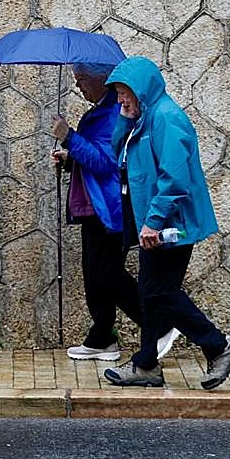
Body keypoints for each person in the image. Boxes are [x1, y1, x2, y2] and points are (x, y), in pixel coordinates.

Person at [101, 57, 230, 390]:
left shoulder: (167, 119)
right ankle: (147, 364)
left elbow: (175, 178)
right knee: (151, 294)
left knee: (160, 292)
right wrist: (124, 119)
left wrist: (152, 221)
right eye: (119, 94)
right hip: (154, 225)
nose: (121, 100)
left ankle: (219, 345)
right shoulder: (143, 119)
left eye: (125, 93)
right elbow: (117, 153)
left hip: (171, 224)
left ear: (143, 90)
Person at [52, 63, 180, 362]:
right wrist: (69, 159)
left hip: (109, 208)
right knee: (94, 274)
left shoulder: (112, 113)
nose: (79, 86)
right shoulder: (99, 111)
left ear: (101, 79)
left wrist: (68, 137)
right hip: (93, 206)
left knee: (108, 274)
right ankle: (101, 337)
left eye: (82, 79)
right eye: (76, 80)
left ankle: (159, 325)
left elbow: (105, 161)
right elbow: (92, 158)